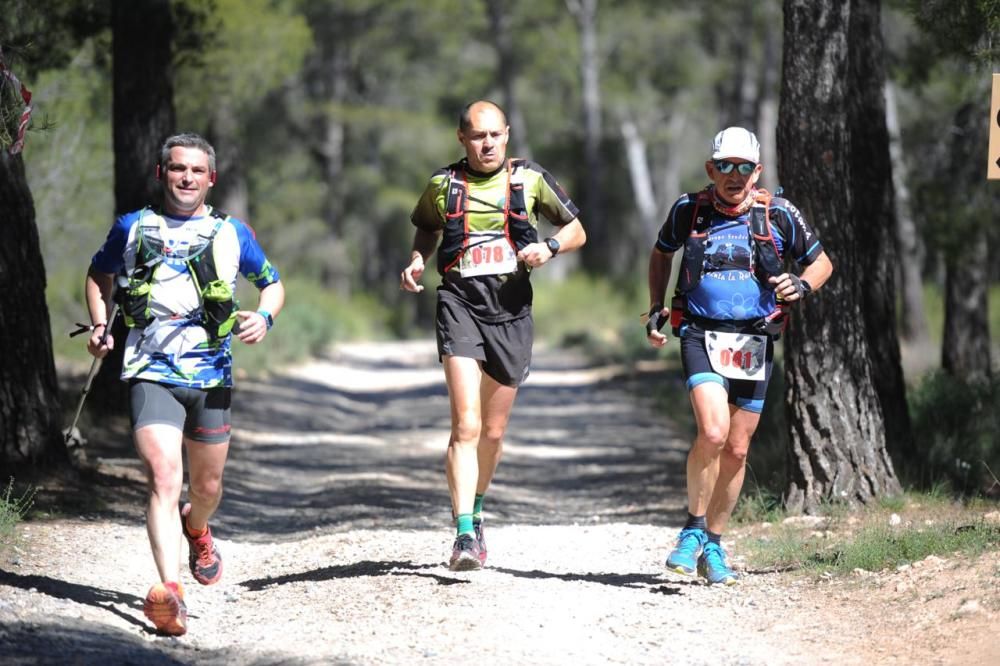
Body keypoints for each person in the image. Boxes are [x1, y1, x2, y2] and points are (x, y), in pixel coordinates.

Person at [84, 133, 285, 635]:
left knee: (207, 487)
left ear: (210, 178)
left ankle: (197, 528)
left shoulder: (232, 232)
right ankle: (169, 593)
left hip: (211, 376)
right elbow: (98, 274)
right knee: (163, 478)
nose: (187, 178)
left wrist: (264, 317)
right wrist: (98, 323)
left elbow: (273, 284)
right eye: (177, 169)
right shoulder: (133, 227)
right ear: (162, 174)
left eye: (197, 171)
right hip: (149, 370)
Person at [400, 100, 586, 571]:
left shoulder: (529, 180)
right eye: (477, 136)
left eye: (495, 135)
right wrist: (419, 259)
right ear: (462, 138)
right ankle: (464, 533)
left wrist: (548, 247)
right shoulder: (443, 186)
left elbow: (577, 229)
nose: (487, 144)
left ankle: (477, 510)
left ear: (507, 135)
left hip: (511, 307)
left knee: (494, 430)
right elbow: (426, 228)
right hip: (459, 301)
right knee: (466, 424)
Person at [645, 127, 833, 585]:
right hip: (699, 332)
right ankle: (691, 531)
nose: (734, 175)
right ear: (711, 169)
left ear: (757, 171)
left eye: (743, 167)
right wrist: (656, 307)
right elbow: (661, 253)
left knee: (738, 447)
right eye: (724, 166)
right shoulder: (689, 210)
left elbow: (822, 262)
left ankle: (715, 544)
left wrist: (802, 284)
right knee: (712, 432)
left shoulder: (780, 214)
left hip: (755, 340)